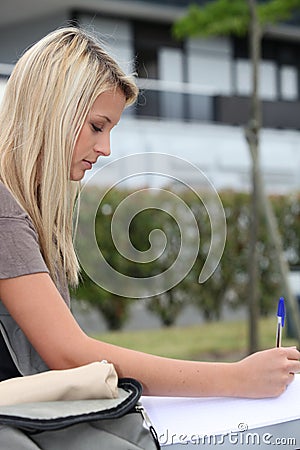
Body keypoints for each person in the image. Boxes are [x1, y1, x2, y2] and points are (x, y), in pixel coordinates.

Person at [0, 26, 299, 398]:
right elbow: (68, 353)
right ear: (52, 112)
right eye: (97, 127)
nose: (105, 148)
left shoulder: (23, 208)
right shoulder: (5, 211)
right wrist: (235, 379)